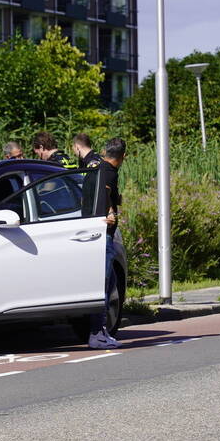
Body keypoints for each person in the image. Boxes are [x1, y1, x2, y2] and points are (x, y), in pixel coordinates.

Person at [88, 138, 126, 349]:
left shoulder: (96, 168)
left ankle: (101, 331)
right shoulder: (108, 172)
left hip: (97, 233)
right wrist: (108, 211)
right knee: (103, 284)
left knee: (107, 284)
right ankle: (97, 334)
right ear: (123, 157)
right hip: (103, 235)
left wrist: (112, 203)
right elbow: (103, 190)